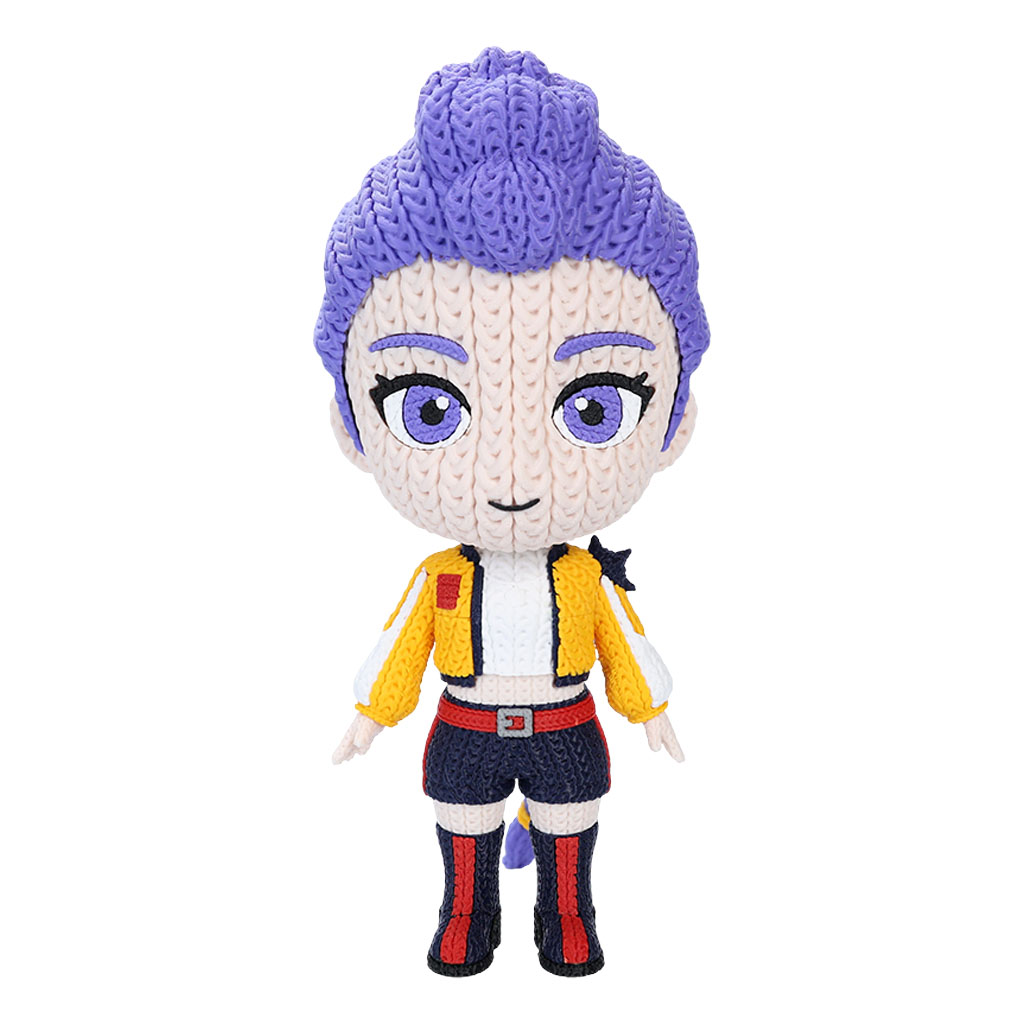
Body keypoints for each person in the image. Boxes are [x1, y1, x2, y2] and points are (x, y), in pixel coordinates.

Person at [316, 47, 709, 977]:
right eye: (429, 408)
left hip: (568, 723)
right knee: (462, 826)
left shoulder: (584, 578)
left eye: (594, 407)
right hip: (464, 724)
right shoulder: (443, 578)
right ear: (351, 427)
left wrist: (650, 706)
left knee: (572, 828)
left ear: (675, 422)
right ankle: (468, 911)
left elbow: (622, 641)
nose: (513, 474)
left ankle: (568, 916)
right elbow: (402, 644)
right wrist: (373, 711)